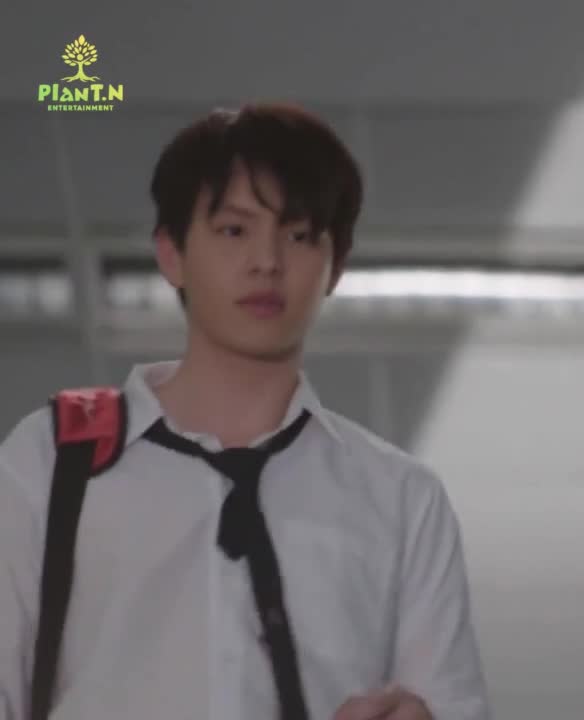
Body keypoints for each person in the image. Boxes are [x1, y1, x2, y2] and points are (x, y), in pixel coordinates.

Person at [0, 104, 491, 719]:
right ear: (172, 253)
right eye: (234, 231)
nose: (267, 261)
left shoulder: (401, 499)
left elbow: (449, 704)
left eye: (299, 235)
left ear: (334, 267)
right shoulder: (52, 460)